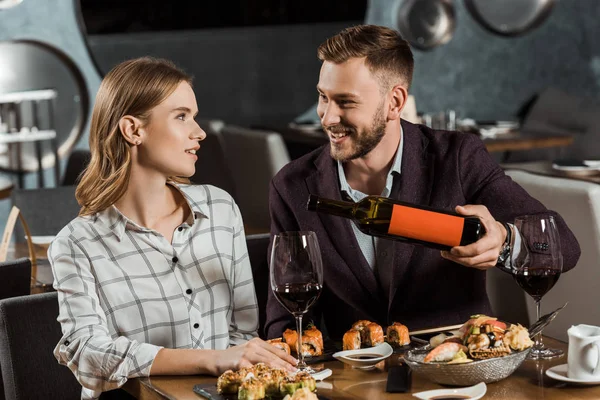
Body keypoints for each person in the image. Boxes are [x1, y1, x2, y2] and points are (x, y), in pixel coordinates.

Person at [265, 25, 581, 341]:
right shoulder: (292, 185)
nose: (327, 117)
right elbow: (283, 324)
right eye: (323, 97)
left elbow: (563, 247)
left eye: (345, 102)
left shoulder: (458, 158)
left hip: (455, 371)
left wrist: (504, 241)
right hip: (354, 380)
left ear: (395, 101)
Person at [49, 57, 296, 400]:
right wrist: (211, 361)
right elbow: (88, 354)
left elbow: (242, 335)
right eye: (182, 117)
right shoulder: (76, 244)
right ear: (133, 130)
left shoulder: (220, 209)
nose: (200, 132)